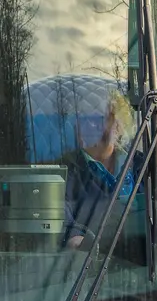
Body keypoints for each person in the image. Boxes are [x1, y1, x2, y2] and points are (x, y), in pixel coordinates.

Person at [60, 86, 140, 249]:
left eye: (99, 118)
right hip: (94, 261)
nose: (89, 125)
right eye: (82, 118)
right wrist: (78, 241)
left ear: (119, 126)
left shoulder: (143, 164)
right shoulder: (65, 172)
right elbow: (67, 230)